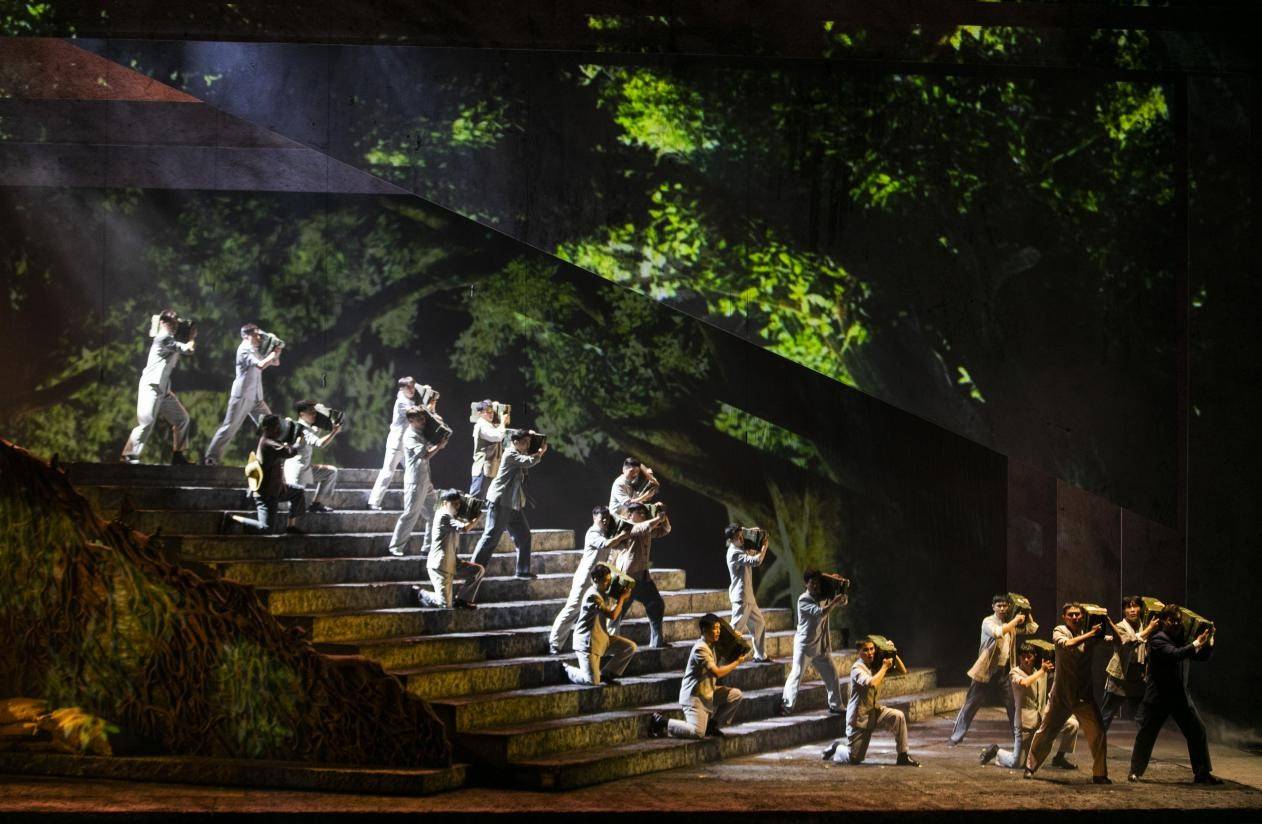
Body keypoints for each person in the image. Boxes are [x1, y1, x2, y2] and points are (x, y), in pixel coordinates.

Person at [1128, 604, 1221, 785]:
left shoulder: (1182, 639)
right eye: (1172, 621)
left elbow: (1201, 656)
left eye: (1178, 621)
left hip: (1179, 696)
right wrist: (1196, 643)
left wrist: (1209, 641)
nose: (1176, 624)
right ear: (1164, 621)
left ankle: (1202, 773)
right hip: (1159, 697)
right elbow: (1175, 654)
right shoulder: (1158, 639)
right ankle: (1135, 771)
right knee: (1146, 735)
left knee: (1198, 731)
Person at [1024, 603, 1110, 783]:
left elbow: (1119, 641)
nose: (1075, 618)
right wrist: (1091, 634)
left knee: (1098, 732)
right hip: (1061, 695)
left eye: (1078, 614)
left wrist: (1107, 621)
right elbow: (1068, 644)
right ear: (1064, 617)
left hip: (1083, 695)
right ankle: (1030, 767)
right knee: (1045, 732)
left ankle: (1100, 774)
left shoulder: (1090, 632)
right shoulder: (1060, 630)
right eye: (1071, 615)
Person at [949, 594, 1037, 745]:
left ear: (1009, 607)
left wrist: (1027, 610)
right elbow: (998, 632)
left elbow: (1032, 628)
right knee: (971, 704)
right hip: (986, 670)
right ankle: (956, 737)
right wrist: (1015, 621)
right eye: (999, 606)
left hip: (1005, 672)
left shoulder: (1010, 623)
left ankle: (1019, 739)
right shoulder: (988, 621)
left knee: (1013, 705)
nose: (1002, 608)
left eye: (1005, 606)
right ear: (993, 607)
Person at [548, 506, 634, 655]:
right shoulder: (593, 533)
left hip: (598, 581)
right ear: (594, 518)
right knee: (573, 608)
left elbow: (618, 545)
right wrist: (621, 536)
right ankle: (554, 644)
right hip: (585, 578)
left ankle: (598, 646)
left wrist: (624, 536)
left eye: (607, 518)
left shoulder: (607, 533)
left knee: (596, 614)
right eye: (602, 518)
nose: (605, 521)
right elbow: (606, 544)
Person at [822, 639, 920, 766]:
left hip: (874, 711)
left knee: (898, 716)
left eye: (872, 649)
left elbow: (903, 671)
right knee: (854, 758)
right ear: (859, 652)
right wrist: (884, 667)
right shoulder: (857, 669)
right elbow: (872, 683)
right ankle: (837, 747)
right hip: (859, 718)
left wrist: (892, 652)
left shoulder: (875, 664)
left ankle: (903, 755)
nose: (870, 653)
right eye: (866, 650)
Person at [980, 645, 1079, 770]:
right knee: (1017, 763)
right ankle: (996, 750)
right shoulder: (1015, 672)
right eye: (1023, 657)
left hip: (1043, 719)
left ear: (1034, 657)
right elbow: (1025, 683)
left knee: (1072, 724)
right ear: (1019, 657)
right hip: (1025, 725)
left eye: (1029, 657)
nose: (1026, 660)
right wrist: (1042, 671)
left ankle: (1059, 757)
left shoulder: (1040, 670)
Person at [649, 613, 748, 738]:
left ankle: (712, 725)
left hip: (707, 692)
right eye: (714, 628)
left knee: (736, 695)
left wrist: (734, 639)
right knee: (697, 732)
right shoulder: (700, 649)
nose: (718, 632)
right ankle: (661, 722)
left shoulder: (713, 645)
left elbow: (727, 654)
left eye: (719, 628)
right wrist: (737, 662)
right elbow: (717, 672)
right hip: (694, 696)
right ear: (704, 630)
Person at [120, 309, 196, 465]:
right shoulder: (163, 338)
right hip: (151, 386)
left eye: (176, 322)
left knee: (182, 419)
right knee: (147, 421)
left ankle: (178, 455)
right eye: (173, 321)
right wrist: (192, 338)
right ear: (163, 322)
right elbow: (188, 349)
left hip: (163, 389)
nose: (176, 325)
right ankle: (128, 455)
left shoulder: (169, 338)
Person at [470, 429, 547, 579]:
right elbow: (529, 462)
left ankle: (522, 571)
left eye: (529, 443)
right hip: (500, 502)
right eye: (525, 442)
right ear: (515, 442)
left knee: (524, 535)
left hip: (512, 503)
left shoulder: (519, 453)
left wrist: (533, 437)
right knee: (491, 537)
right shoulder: (510, 454)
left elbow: (526, 459)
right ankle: (473, 570)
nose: (527, 445)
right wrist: (540, 453)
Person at [204, 323, 281, 465]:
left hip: (257, 398)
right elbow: (260, 365)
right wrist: (271, 355)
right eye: (255, 335)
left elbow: (275, 363)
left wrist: (276, 351)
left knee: (272, 425)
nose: (259, 337)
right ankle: (211, 457)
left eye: (259, 334)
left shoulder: (256, 349)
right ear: (246, 336)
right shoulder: (244, 350)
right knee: (230, 427)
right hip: (242, 396)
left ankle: (268, 459)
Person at [779, 569, 848, 716]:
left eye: (817, 582)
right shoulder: (803, 599)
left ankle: (836, 705)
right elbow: (821, 612)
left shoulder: (824, 596)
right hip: (804, 646)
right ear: (806, 584)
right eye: (812, 583)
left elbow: (843, 602)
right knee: (796, 674)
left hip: (820, 646)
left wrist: (840, 586)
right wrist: (834, 601)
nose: (815, 586)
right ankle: (786, 706)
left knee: (832, 675)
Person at [606, 502, 672, 648]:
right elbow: (644, 527)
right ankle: (606, 645)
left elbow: (666, 530)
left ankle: (657, 642)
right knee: (617, 613)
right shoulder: (627, 526)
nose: (643, 514)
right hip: (627, 579)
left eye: (644, 512)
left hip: (643, 578)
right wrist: (658, 519)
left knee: (656, 604)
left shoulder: (646, 528)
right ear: (630, 514)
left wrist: (663, 514)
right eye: (639, 512)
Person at [563, 562, 637, 686]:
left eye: (609, 580)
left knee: (630, 647)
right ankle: (567, 670)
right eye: (605, 581)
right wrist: (622, 599)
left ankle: (606, 674)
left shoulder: (604, 592)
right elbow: (612, 615)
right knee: (592, 681)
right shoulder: (593, 596)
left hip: (601, 639)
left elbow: (613, 608)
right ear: (595, 580)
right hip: (587, 644)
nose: (608, 584)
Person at [386, 406, 446, 558]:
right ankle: (395, 546)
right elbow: (425, 454)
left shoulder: (421, 430)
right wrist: (438, 445)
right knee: (410, 514)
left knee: (435, 513)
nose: (423, 421)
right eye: (419, 419)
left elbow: (435, 437)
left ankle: (428, 547)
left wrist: (440, 430)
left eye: (423, 418)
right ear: (410, 421)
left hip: (425, 480)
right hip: (415, 481)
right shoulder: (410, 435)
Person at [231, 414, 305, 534]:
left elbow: (283, 448)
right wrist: (298, 441)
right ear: (267, 428)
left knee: (298, 492)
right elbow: (289, 452)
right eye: (276, 427)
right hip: (266, 494)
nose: (278, 429)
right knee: (266, 529)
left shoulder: (271, 442)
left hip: (277, 489)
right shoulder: (268, 443)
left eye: (278, 426)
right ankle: (234, 519)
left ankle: (290, 526)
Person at [414, 489, 484, 609]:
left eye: (458, 503)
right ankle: (422, 594)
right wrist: (477, 517)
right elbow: (464, 528)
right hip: (439, 566)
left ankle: (462, 599)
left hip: (452, 562)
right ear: (445, 503)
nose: (457, 506)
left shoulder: (451, 514)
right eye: (454, 504)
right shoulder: (444, 515)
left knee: (478, 570)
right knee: (445, 605)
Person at [1101, 595, 1159, 730]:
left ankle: (1142, 744)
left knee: (1142, 718)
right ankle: (1098, 743)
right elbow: (1128, 642)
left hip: (1137, 678)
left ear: (1141, 609)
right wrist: (1149, 629)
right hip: (1119, 678)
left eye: (1135, 606)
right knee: (1106, 716)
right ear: (1123, 611)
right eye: (1128, 607)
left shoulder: (1145, 625)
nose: (1132, 610)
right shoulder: (1120, 627)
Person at [367, 377, 419, 510]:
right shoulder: (401, 401)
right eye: (409, 387)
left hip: (407, 445)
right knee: (388, 472)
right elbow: (415, 414)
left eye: (413, 386)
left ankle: (415, 503)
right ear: (402, 388)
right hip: (396, 443)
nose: (412, 389)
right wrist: (428, 404)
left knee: (415, 472)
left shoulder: (410, 400)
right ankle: (373, 502)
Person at [283, 400, 341, 513]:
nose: (314, 415)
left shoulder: (309, 427)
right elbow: (319, 443)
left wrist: (323, 412)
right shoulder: (301, 429)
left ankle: (317, 504)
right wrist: (334, 432)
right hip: (296, 470)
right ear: (302, 414)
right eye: (311, 412)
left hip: (305, 468)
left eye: (315, 412)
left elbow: (317, 428)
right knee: (294, 507)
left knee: (331, 472)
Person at [725, 524, 770, 662]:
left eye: (741, 536)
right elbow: (756, 561)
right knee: (735, 629)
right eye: (738, 537)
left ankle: (760, 656)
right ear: (731, 540)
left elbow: (744, 532)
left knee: (759, 624)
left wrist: (752, 531)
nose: (741, 538)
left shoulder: (740, 548)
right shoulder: (734, 553)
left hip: (748, 596)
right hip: (741, 597)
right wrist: (764, 547)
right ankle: (723, 656)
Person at [469, 399, 510, 499]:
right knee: (476, 500)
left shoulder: (490, 425)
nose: (491, 414)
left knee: (485, 501)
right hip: (483, 469)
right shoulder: (482, 425)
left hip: (490, 469)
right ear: (480, 413)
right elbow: (498, 436)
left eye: (492, 411)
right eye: (487, 411)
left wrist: (499, 411)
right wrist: (503, 422)